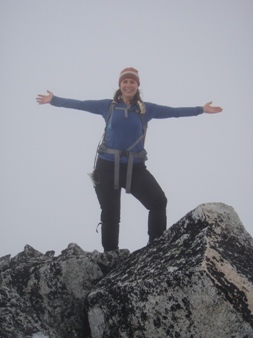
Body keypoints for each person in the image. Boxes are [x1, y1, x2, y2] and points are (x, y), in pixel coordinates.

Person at [36, 67, 222, 252]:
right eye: (125, 81)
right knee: (110, 215)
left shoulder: (146, 109)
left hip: (135, 168)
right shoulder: (107, 106)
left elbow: (174, 111)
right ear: (120, 85)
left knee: (158, 202)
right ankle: (111, 256)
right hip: (106, 166)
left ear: (137, 86)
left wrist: (201, 110)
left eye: (132, 82)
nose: (128, 85)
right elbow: (81, 104)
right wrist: (54, 100)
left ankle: (155, 249)